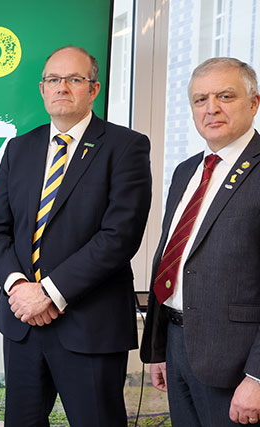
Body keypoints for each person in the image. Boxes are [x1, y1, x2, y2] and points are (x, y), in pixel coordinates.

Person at [0, 46, 152, 426]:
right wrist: (18, 287)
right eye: (53, 80)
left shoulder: (126, 147)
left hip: (89, 324)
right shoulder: (19, 148)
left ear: (94, 89)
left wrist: (48, 293)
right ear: (42, 89)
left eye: (74, 80)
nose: (62, 88)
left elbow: (119, 236)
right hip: (22, 321)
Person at [141, 57, 260, 426]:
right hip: (178, 349)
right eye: (200, 99)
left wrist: (257, 377)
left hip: (237, 367)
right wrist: (159, 348)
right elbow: (173, 261)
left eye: (226, 96)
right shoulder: (186, 171)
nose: (212, 109)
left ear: (254, 102)